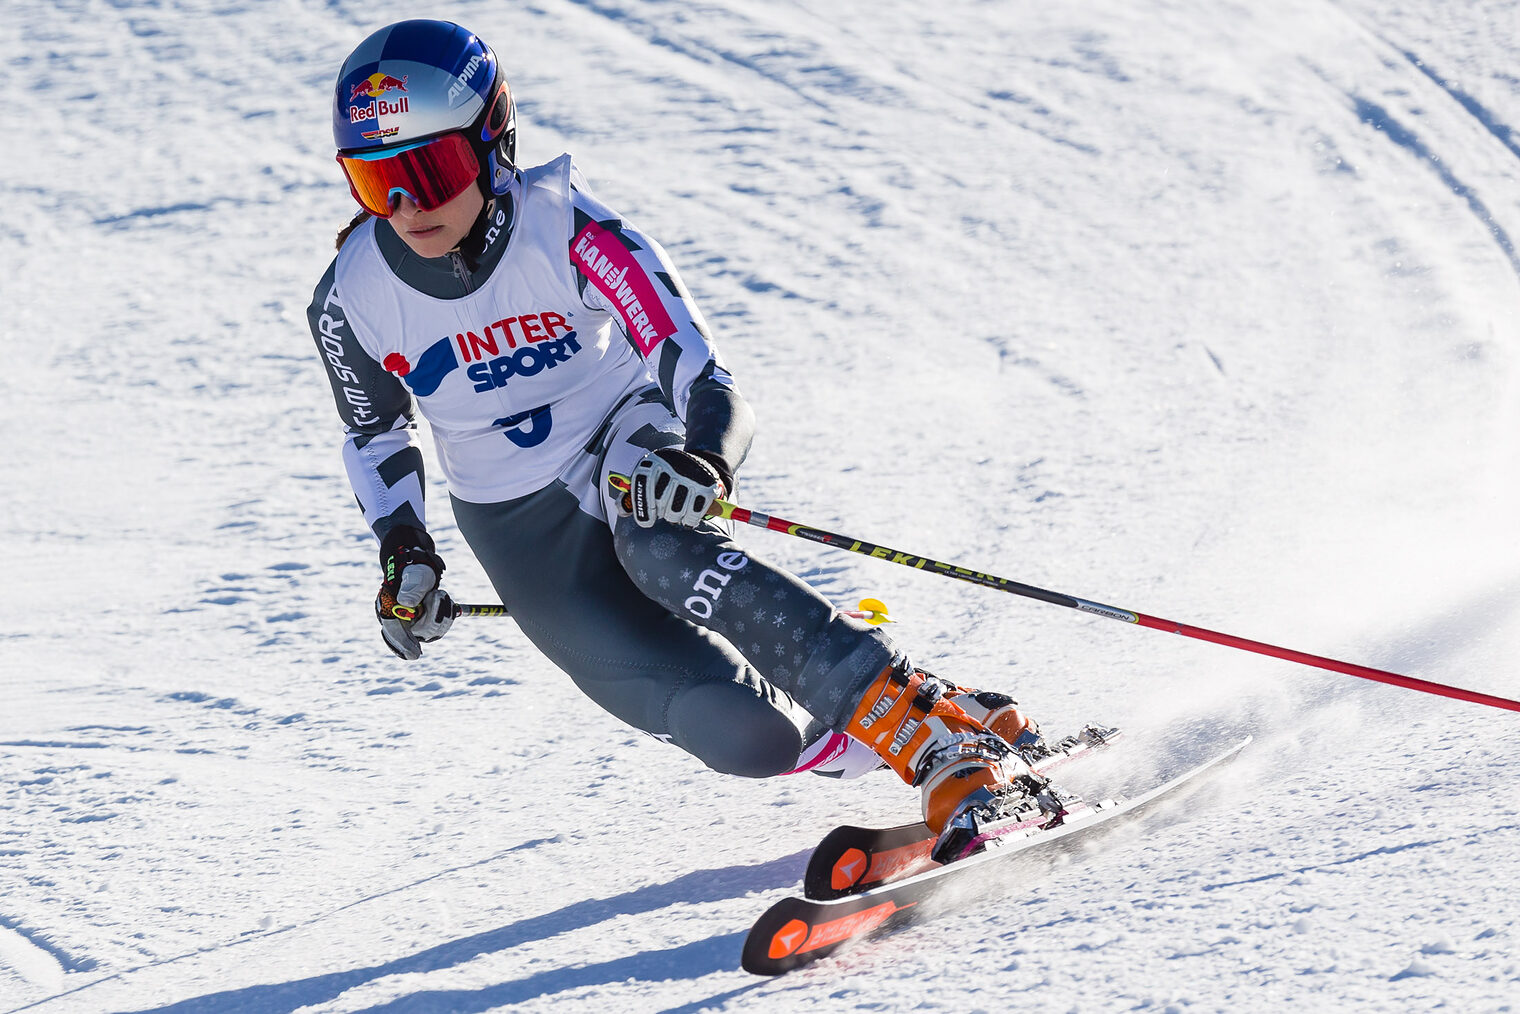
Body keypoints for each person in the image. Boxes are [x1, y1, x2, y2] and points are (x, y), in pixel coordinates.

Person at [306, 19, 1049, 859]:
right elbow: (372, 432)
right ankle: (901, 706)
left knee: (663, 547)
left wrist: (703, 458)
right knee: (743, 738)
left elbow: (705, 377)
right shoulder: (351, 295)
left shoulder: (573, 232)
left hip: (627, 440)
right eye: (377, 183)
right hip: (515, 521)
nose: (409, 208)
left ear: (492, 138)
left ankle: (935, 745)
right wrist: (405, 550)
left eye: (429, 171)